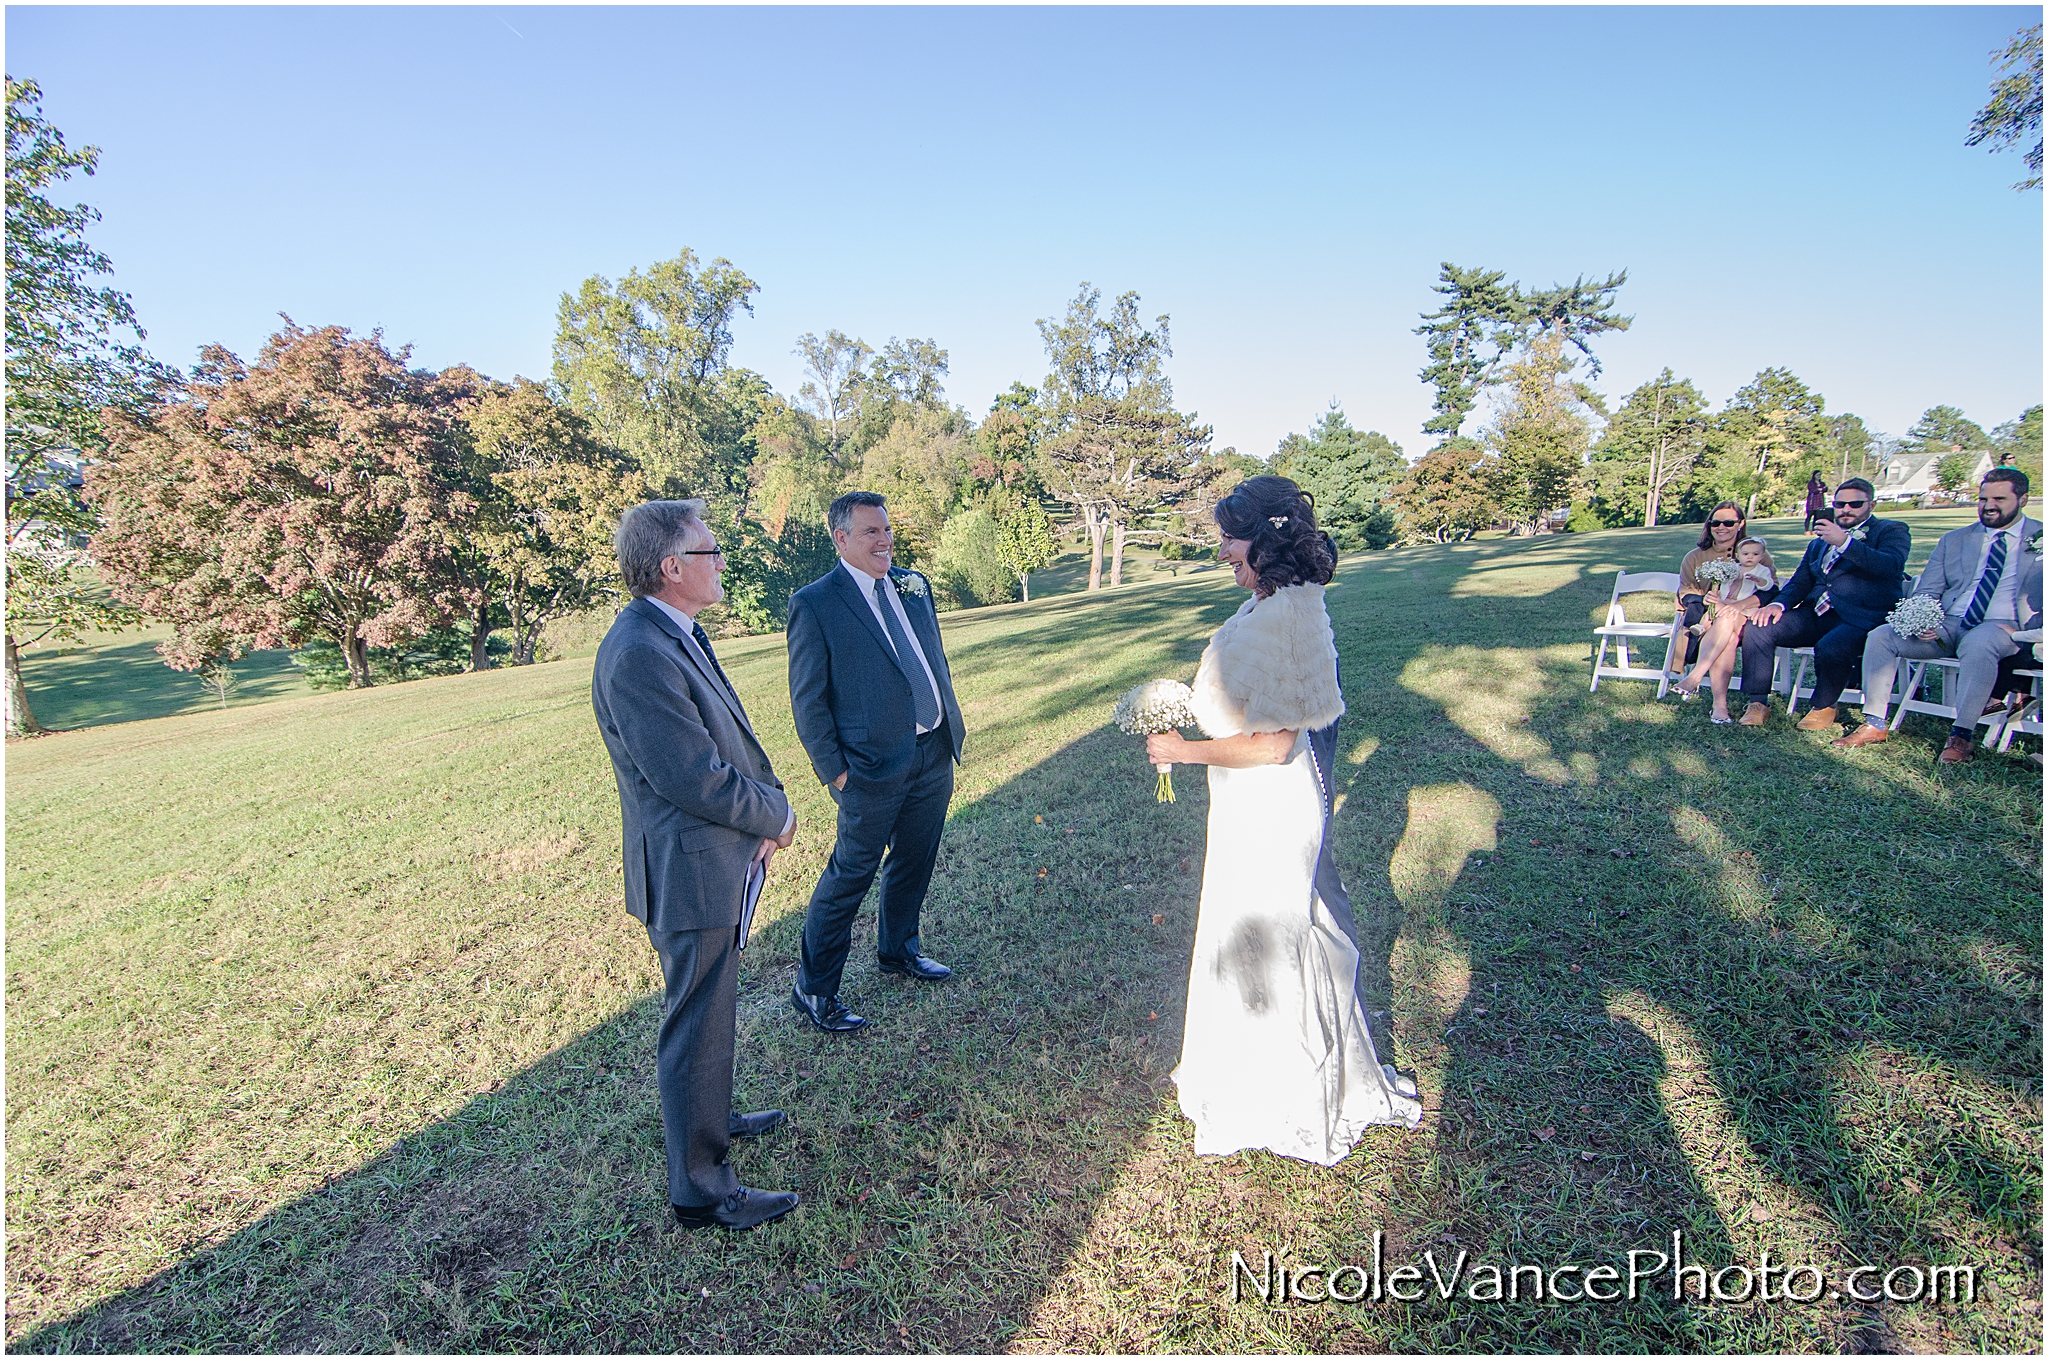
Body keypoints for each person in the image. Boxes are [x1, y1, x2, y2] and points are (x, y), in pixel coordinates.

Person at [1142, 476, 1422, 1164]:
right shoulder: (1270, 603)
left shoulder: (1288, 617)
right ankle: (1242, 1078)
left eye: (1229, 540)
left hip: (1269, 801)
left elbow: (1275, 744)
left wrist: (1183, 747)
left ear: (1264, 543)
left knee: (1271, 941)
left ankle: (1288, 1098)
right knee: (1245, 936)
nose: (1222, 552)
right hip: (1243, 799)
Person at [590, 500, 800, 1232]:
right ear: (671, 567)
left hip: (709, 859)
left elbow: (729, 740)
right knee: (695, 1023)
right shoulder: (641, 650)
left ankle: (710, 1120)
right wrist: (777, 816)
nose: (720, 562)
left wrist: (766, 801)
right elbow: (692, 776)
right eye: (709, 551)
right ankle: (701, 1190)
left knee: (709, 1018)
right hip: (689, 871)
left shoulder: (671, 632)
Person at [785, 491, 966, 1034]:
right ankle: (814, 988)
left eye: (886, 530)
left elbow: (928, 656)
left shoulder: (915, 586)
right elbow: (807, 699)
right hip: (868, 768)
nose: (884, 540)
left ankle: (898, 950)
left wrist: (946, 728)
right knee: (851, 873)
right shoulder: (815, 604)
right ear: (841, 539)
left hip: (933, 750)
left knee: (915, 859)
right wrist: (836, 772)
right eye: (870, 532)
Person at [1837, 468, 2042, 764]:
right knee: (1882, 636)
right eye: (1983, 498)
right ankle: (1875, 723)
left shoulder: (2041, 537)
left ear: (2022, 499)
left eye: (1999, 498)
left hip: (2004, 626)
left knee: (1979, 643)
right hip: (1948, 623)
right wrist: (1923, 621)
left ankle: (1961, 736)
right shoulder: (1956, 539)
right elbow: (1929, 589)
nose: (1988, 505)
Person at [1732, 478, 1909, 730]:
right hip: (1816, 613)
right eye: (1840, 504)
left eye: (1855, 504)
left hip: (1861, 617)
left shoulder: (1891, 530)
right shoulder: (1818, 542)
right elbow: (1800, 582)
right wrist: (1778, 605)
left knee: (1831, 645)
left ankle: (1824, 706)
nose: (1846, 509)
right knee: (1760, 627)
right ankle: (1758, 702)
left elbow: (1890, 566)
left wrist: (1845, 543)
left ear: (1871, 504)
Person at [1671, 536, 1778, 720]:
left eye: (1755, 554)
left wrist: (1758, 582)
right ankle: (1718, 706)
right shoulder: (1730, 567)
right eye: (1746, 554)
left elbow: (1771, 588)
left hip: (1747, 614)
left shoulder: (1763, 569)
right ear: (1738, 554)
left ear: (1761, 555)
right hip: (1724, 614)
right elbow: (1716, 588)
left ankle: (1697, 678)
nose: (1750, 557)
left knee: (1728, 620)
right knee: (1728, 635)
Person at [1672, 502, 1748, 669]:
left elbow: (1770, 588)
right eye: (1715, 523)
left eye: (1728, 523)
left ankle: (1695, 678)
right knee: (1723, 632)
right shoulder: (1694, 557)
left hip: (1742, 614)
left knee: (1727, 629)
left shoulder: (1753, 553)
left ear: (1740, 524)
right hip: (1705, 614)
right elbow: (1685, 592)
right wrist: (1704, 599)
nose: (1721, 527)